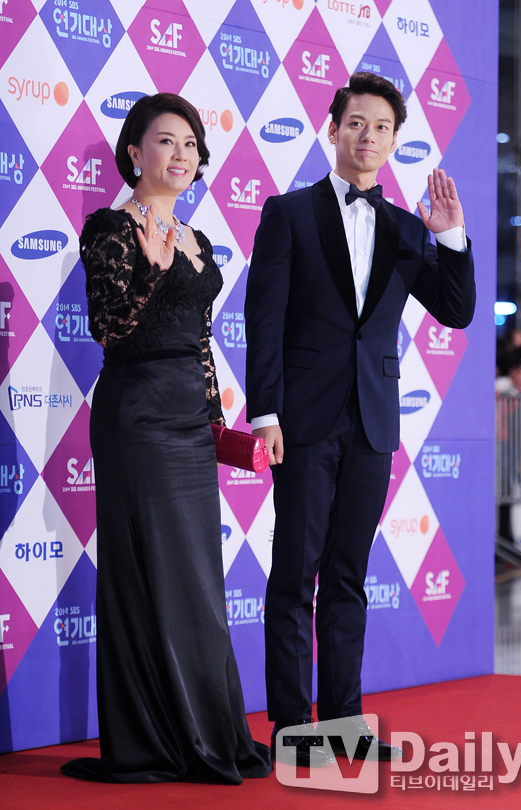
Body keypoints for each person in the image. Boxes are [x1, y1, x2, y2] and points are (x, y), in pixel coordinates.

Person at [245, 72, 476, 764]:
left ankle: (344, 723)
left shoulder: (407, 227)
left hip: (374, 423)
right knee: (295, 576)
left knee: (348, 576)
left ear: (394, 140)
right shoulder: (288, 213)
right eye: (356, 123)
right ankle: (293, 731)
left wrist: (451, 237)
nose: (368, 136)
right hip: (302, 421)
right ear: (333, 128)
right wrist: (265, 414)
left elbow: (456, 311)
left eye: (381, 127)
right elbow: (265, 323)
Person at [61, 93, 272, 784]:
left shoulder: (196, 237)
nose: (181, 154)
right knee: (144, 576)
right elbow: (108, 329)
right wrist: (150, 270)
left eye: (190, 144)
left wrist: (216, 420)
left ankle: (208, 732)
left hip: (187, 422)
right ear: (134, 152)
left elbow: (200, 340)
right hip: (136, 417)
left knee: (195, 580)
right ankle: (152, 743)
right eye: (165, 141)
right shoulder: (110, 230)